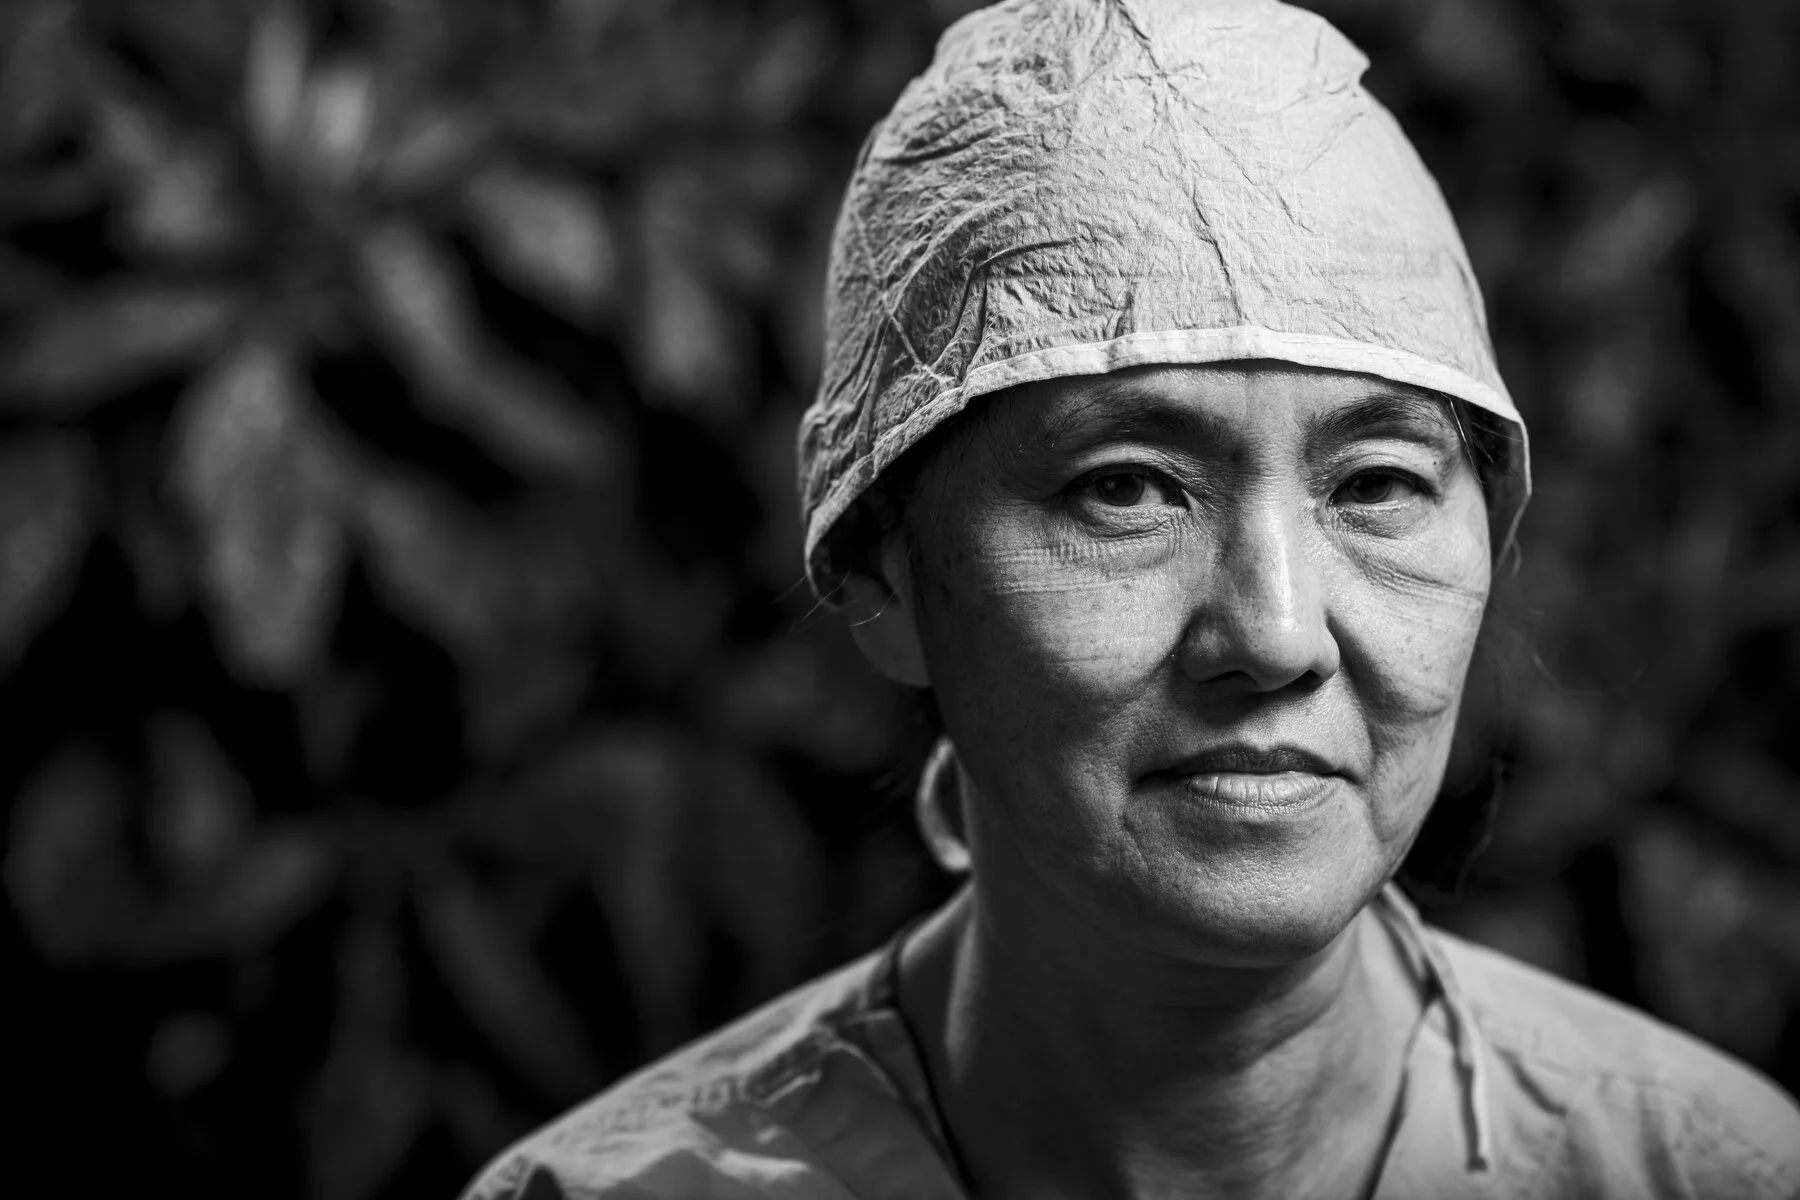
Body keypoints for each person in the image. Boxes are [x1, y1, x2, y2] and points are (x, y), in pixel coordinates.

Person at [463, 0, 1800, 1196]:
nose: (1275, 634)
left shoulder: (1710, 1170)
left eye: (1379, 484)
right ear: (880, 571)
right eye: (1126, 489)